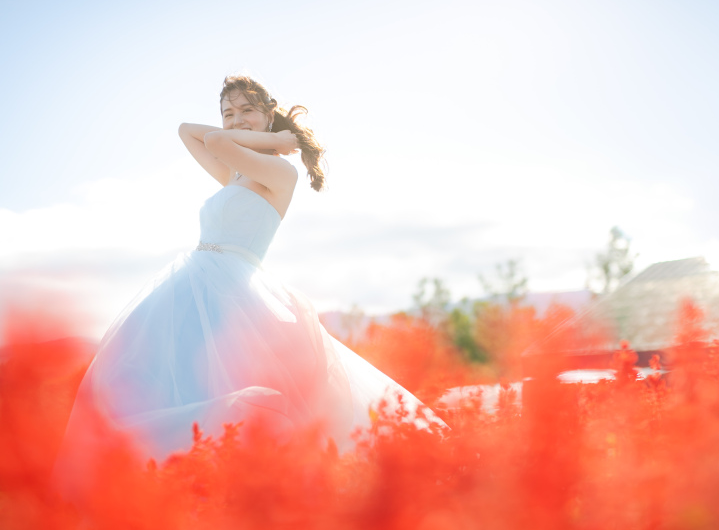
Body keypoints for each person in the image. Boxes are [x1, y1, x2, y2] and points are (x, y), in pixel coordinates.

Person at [55, 75, 440, 484]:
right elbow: (187, 131)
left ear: (268, 114)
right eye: (228, 113)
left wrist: (272, 143)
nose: (236, 120)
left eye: (247, 111)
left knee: (226, 385)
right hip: (195, 282)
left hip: (233, 289)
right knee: (164, 377)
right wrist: (271, 136)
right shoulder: (236, 174)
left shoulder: (279, 171)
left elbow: (217, 142)